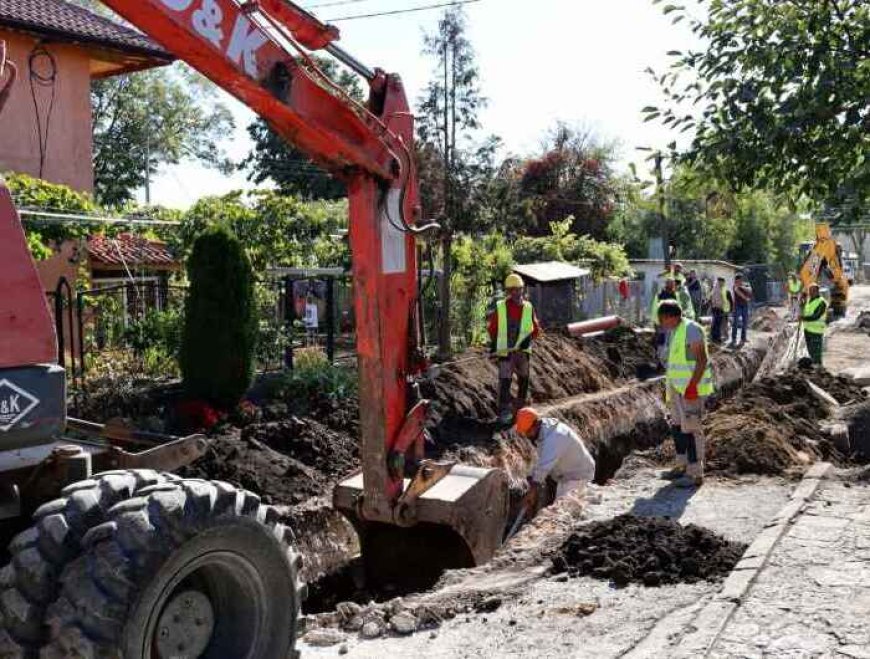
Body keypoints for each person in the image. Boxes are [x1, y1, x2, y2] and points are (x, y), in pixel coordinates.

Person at [657, 300, 714, 488]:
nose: (660, 323)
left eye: (662, 319)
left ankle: (695, 473)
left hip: (690, 389)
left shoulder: (691, 329)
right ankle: (681, 465)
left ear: (671, 317)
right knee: (677, 427)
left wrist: (692, 386)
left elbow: (702, 360)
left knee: (691, 429)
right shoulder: (674, 331)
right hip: (676, 388)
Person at [514, 407, 595, 510]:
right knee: (558, 509)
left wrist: (532, 491)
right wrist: (531, 477)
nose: (526, 435)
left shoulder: (555, 437)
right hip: (566, 476)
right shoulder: (544, 430)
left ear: (536, 425)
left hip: (578, 477)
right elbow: (541, 461)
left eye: (527, 432)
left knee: (561, 512)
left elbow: (544, 467)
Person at [488, 274, 542, 424]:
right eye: (513, 290)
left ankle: (518, 410)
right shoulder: (501, 307)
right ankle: (506, 411)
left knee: (521, 380)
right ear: (509, 292)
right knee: (507, 381)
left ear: (522, 289)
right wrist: (495, 346)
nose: (516, 293)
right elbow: (493, 329)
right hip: (507, 352)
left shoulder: (528, 307)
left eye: (518, 290)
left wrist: (526, 340)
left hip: (521, 351)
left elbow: (535, 329)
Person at [650, 278, 678, 363]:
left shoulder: (675, 295)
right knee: (661, 341)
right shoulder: (660, 295)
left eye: (672, 284)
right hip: (662, 322)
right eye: (670, 284)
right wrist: (656, 322)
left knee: (669, 341)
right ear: (667, 285)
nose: (672, 286)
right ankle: (659, 360)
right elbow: (655, 309)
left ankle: (666, 360)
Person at [801, 283, 828, 365]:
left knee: (816, 353)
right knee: (811, 351)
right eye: (809, 291)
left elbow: (816, 316)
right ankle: (814, 368)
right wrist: (802, 304)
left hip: (816, 331)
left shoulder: (821, 302)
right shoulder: (809, 301)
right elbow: (806, 312)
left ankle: (818, 368)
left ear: (817, 291)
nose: (810, 293)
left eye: (812, 291)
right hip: (807, 330)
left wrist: (803, 318)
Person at [729, 273, 753, 347]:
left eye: (740, 280)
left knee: (745, 322)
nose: (738, 281)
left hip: (745, 306)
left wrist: (742, 286)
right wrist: (745, 298)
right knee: (735, 323)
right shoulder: (735, 286)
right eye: (737, 280)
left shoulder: (745, 285)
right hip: (737, 306)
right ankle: (734, 339)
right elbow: (738, 292)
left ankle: (743, 338)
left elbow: (750, 291)